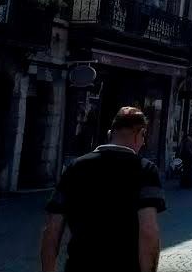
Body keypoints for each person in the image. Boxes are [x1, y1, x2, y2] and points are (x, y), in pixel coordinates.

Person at [41, 106, 166, 272]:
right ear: (139, 133)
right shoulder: (145, 170)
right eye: (144, 137)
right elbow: (148, 230)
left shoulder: (75, 167)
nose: (143, 143)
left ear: (110, 133)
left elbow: (52, 229)